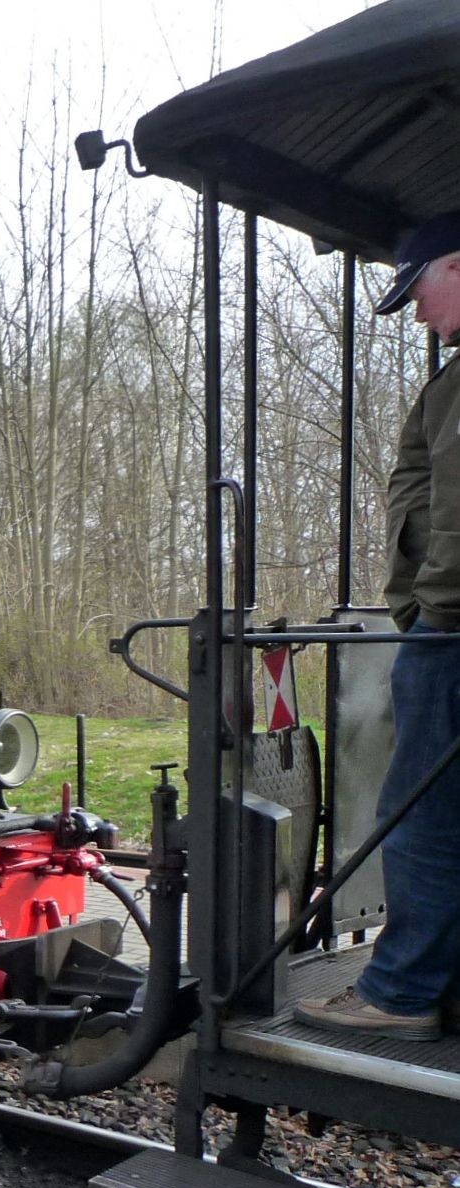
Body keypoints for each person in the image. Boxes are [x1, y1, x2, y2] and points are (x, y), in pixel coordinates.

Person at [296, 211, 460, 1041]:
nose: (420, 313)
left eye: (421, 288)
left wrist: (433, 611)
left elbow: (453, 515)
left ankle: (399, 993)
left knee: (421, 810)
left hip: (451, 631)